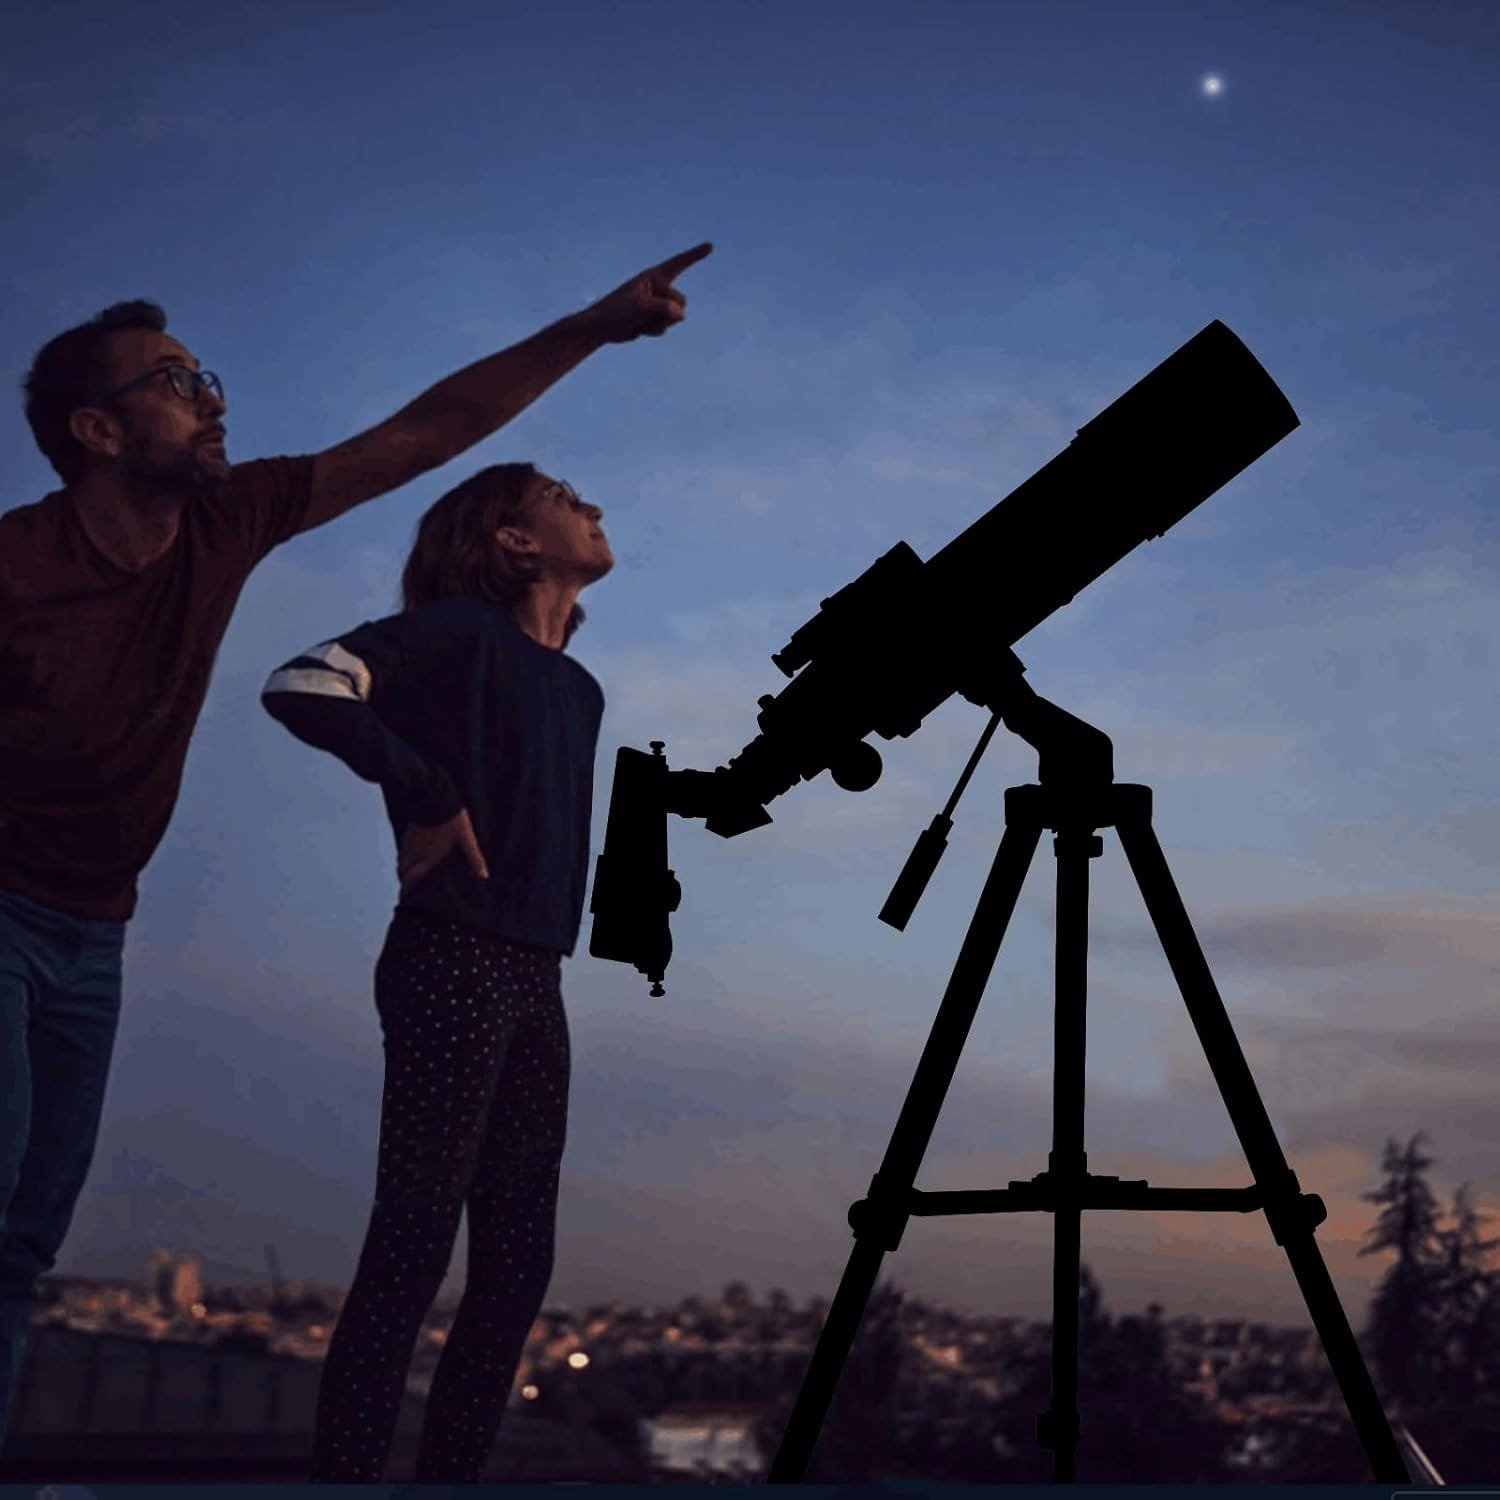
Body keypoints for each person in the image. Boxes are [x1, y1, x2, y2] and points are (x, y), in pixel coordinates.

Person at [0, 241, 712, 1451]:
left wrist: (590, 327)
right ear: (99, 431)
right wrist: (424, 788)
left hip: (98, 928)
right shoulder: (17, 568)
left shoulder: (226, 521)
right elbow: (312, 684)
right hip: (16, 911)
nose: (212, 399)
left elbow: (424, 434)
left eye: (206, 375)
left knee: (24, 1243)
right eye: (175, 382)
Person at [260, 462, 613, 1482]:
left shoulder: (579, 689)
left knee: (516, 1263)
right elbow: (303, 683)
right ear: (514, 540)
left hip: (537, 975)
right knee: (415, 1239)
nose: (591, 507)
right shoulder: (460, 633)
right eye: (563, 497)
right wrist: (425, 789)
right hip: (450, 953)